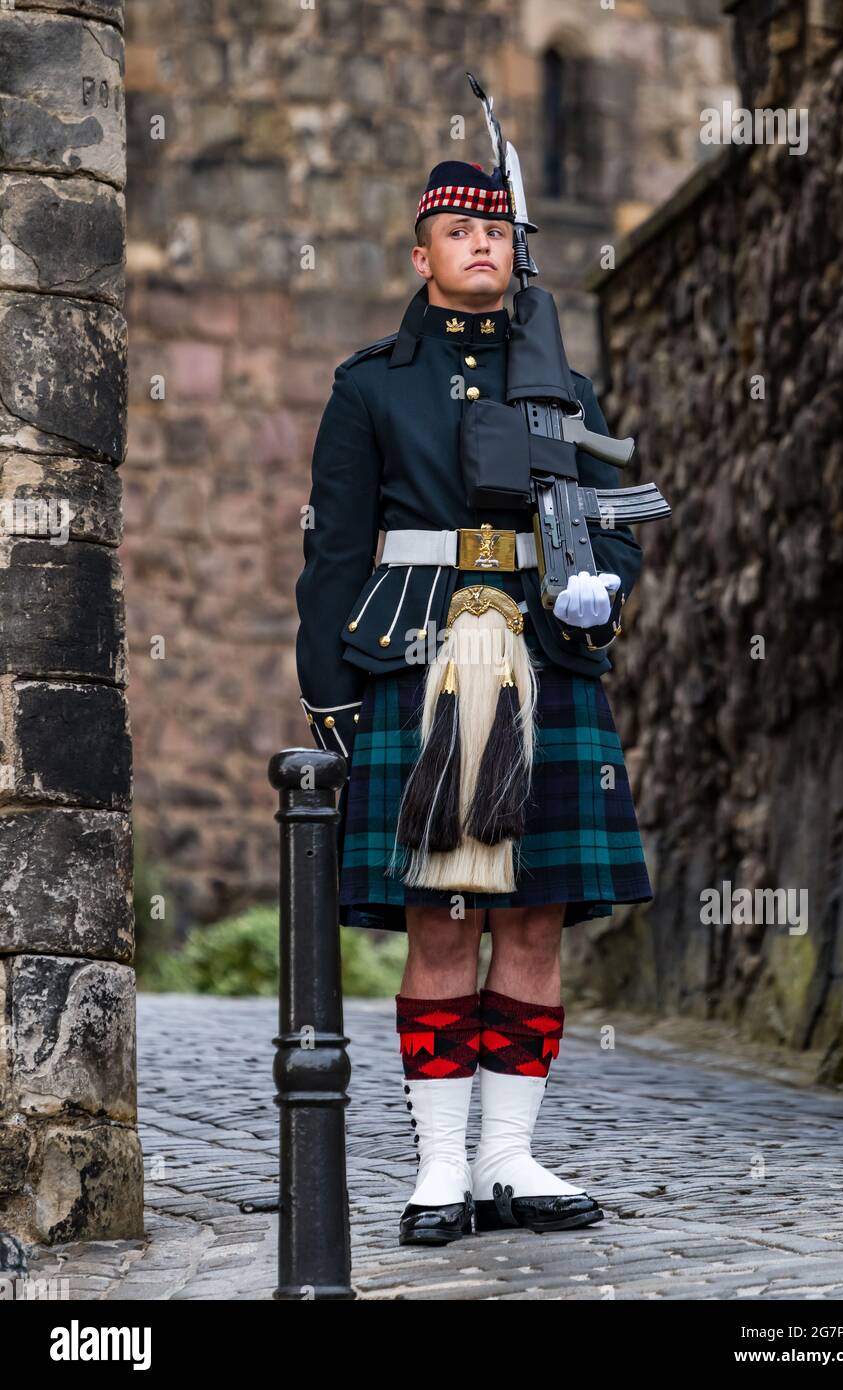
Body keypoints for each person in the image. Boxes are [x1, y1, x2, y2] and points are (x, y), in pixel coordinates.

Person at [295, 159, 653, 1245]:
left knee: (534, 916)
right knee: (444, 917)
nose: (481, 245)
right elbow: (334, 549)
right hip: (419, 657)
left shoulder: (565, 385)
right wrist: (333, 696)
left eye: (495, 230)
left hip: (546, 659)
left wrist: (601, 590)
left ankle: (510, 1155)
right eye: (457, 230)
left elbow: (615, 529)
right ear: (422, 255)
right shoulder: (370, 385)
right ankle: (441, 1164)